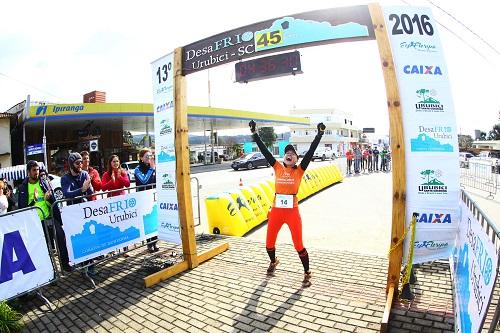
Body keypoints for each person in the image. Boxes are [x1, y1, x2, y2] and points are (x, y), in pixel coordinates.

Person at [249, 119, 325, 287]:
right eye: (287, 152)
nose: (289, 154)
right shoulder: (277, 167)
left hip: (292, 212)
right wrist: (255, 134)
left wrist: (319, 134)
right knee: (268, 243)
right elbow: (264, 150)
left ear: (296, 159)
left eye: (292, 153)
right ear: (284, 157)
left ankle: (307, 272)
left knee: (298, 245)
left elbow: (311, 151)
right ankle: (274, 261)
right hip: (276, 211)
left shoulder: (299, 170)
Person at [61, 152, 95, 274]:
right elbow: (67, 193)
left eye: (81, 162)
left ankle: (90, 266)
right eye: (77, 163)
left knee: (89, 238)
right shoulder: (65, 178)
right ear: (71, 165)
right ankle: (81, 265)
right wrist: (82, 189)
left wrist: (89, 186)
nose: (80, 164)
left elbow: (90, 192)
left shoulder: (84, 174)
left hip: (85, 210)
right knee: (79, 240)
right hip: (73, 213)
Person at [134, 148, 158, 253]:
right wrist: (152, 169)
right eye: (146, 156)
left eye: (150, 156)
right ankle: (149, 243)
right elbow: (143, 181)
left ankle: (155, 242)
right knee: (148, 221)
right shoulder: (137, 169)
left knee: (155, 220)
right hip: (144, 198)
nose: (149, 158)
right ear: (141, 158)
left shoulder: (152, 167)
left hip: (153, 197)